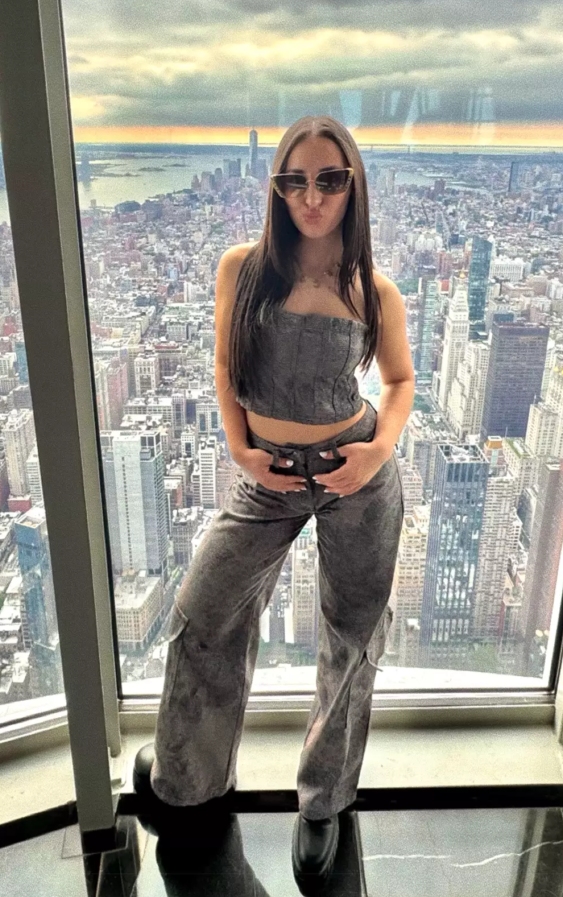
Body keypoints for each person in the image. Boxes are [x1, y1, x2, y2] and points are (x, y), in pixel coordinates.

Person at [133, 114, 414, 888]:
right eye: (294, 181)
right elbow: (227, 369)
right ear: (276, 188)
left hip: (354, 475)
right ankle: (189, 780)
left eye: (328, 180)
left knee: (352, 638)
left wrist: (374, 454)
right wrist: (238, 447)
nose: (310, 197)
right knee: (203, 617)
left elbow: (398, 382)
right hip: (267, 476)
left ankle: (324, 803)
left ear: (352, 187)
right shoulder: (243, 268)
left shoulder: (372, 289)